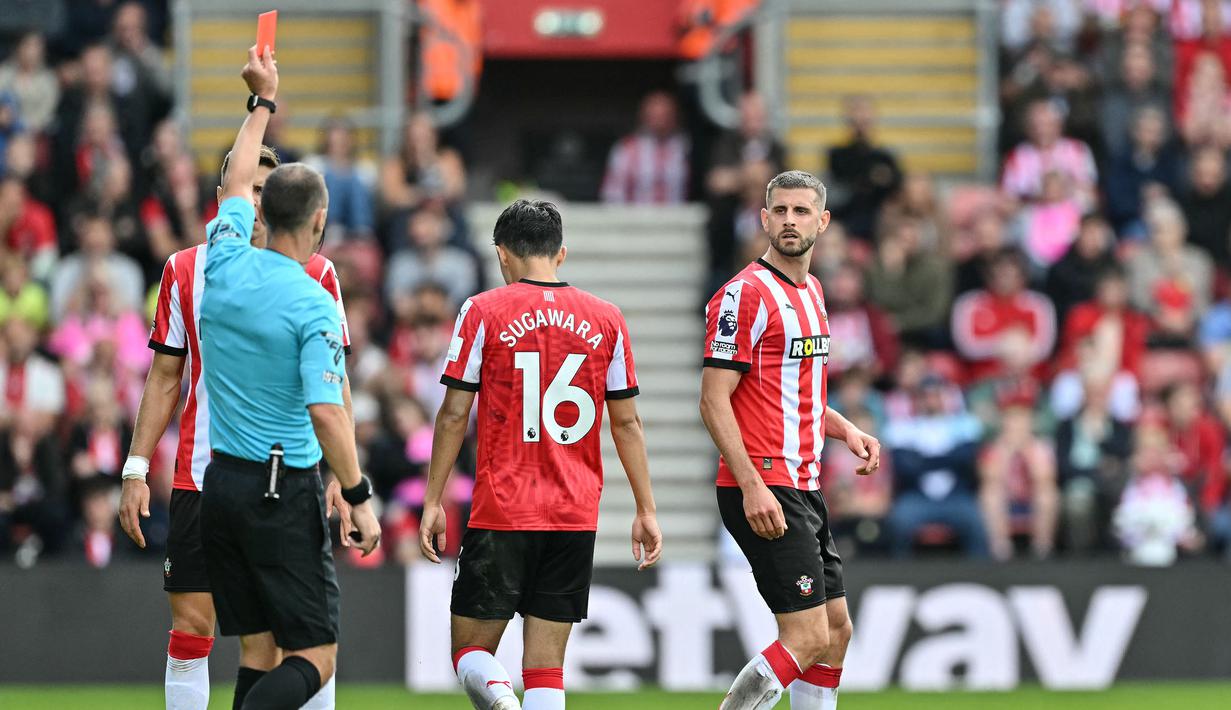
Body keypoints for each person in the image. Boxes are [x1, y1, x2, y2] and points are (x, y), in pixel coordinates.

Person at [133, 46, 380, 710]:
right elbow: (328, 404)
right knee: (313, 650)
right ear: (319, 223)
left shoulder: (218, 265)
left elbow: (238, 179)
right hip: (280, 480)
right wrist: (354, 489)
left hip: (224, 481)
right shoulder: (313, 300)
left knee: (260, 645)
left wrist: (259, 102)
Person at [419, 199, 662, 710]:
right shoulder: (608, 319)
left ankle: (503, 702)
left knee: (468, 652)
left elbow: (453, 415)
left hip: (504, 508)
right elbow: (627, 422)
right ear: (561, 254)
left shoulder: (482, 310)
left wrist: (433, 499)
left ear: (502, 255)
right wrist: (645, 509)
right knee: (547, 668)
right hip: (574, 513)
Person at [700, 170, 881, 710]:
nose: (789, 221)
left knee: (835, 629)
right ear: (763, 220)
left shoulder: (814, 291)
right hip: (764, 482)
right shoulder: (743, 296)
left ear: (822, 223)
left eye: (801, 212)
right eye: (779, 211)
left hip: (803, 482)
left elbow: (794, 394)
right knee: (805, 636)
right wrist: (753, 485)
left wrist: (845, 428)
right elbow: (713, 400)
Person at [600, 91, 689, 204]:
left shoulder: (686, 147)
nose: (660, 122)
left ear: (675, 117)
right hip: (635, 218)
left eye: (665, 115)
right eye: (655, 116)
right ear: (644, 117)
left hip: (680, 218)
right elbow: (612, 193)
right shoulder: (627, 148)